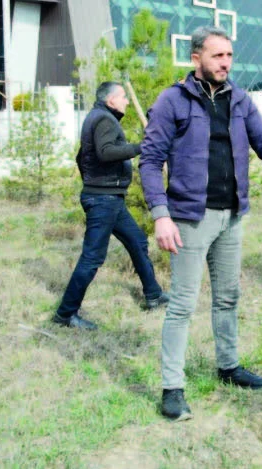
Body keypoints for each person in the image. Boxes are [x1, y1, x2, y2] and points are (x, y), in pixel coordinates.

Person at [139, 26, 262, 422]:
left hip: (232, 217)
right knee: (182, 305)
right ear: (196, 58)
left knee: (228, 297)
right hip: (189, 218)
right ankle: (172, 388)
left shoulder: (239, 99)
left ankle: (229, 366)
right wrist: (161, 215)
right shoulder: (173, 101)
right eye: (218, 56)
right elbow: (149, 161)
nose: (226, 63)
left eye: (229, 56)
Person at [52, 82, 169, 331]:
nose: (127, 101)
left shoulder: (96, 117)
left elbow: (81, 156)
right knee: (92, 257)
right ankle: (65, 314)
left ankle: (153, 295)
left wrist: (92, 182)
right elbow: (106, 153)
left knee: (137, 241)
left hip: (108, 198)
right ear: (111, 100)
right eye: (123, 97)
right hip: (103, 200)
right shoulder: (104, 120)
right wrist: (143, 147)